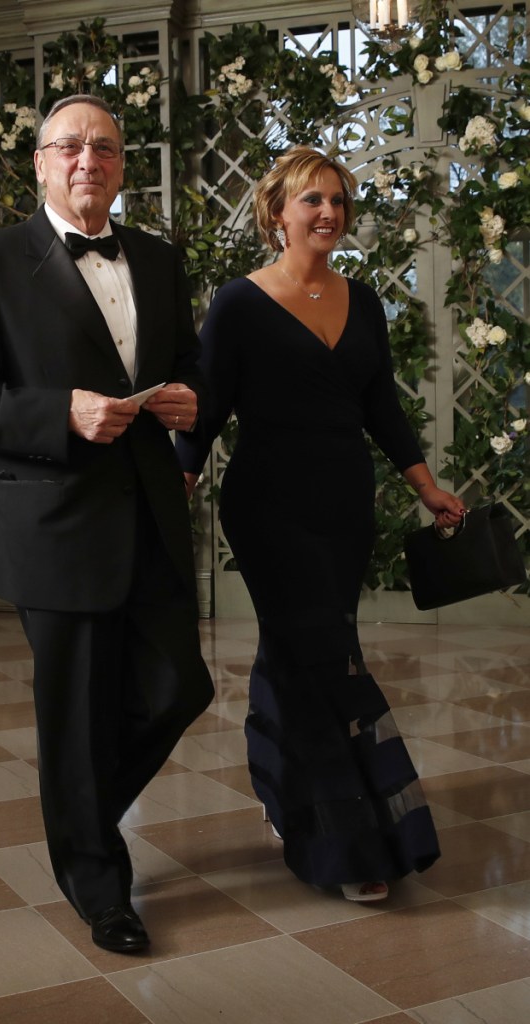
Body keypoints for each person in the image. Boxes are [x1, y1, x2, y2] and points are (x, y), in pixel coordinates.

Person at [0, 94, 213, 951]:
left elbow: (188, 367)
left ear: (122, 167)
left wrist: (190, 402)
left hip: (152, 519)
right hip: (56, 528)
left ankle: (76, 811)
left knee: (180, 687)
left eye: (105, 149)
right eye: (70, 147)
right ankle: (100, 887)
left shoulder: (161, 261)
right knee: (78, 715)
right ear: (41, 163)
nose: (88, 160)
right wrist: (63, 415)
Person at [176, 145, 466, 903]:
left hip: (345, 504)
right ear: (276, 214)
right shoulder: (238, 303)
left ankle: (282, 795)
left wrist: (425, 486)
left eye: (336, 200)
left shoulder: (362, 300)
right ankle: (343, 842)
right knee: (323, 658)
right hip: (268, 505)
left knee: (300, 654)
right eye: (311, 200)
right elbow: (204, 409)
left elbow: (380, 408)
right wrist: (176, 477)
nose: (327, 212)